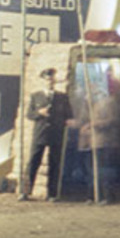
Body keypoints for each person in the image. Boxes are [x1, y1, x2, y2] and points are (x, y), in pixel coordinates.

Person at [24, 67, 73, 201]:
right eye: (47, 80)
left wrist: (67, 121)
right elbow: (29, 114)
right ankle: (25, 192)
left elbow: (69, 115)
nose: (50, 82)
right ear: (43, 81)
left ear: (55, 81)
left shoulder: (62, 97)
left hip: (56, 134)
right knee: (33, 161)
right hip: (40, 134)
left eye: (52, 80)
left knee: (55, 163)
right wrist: (39, 113)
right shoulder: (36, 96)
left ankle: (52, 194)